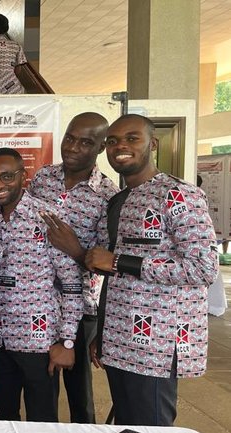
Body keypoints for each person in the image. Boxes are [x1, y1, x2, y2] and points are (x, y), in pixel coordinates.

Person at [85, 114, 218, 426]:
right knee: (128, 425)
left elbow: (203, 267)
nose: (121, 146)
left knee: (152, 425)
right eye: (113, 141)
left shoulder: (179, 194)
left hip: (155, 344)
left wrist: (120, 262)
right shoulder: (117, 201)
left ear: (152, 144)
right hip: (118, 339)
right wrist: (103, 332)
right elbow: (111, 277)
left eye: (132, 138)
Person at [28, 112, 119, 423]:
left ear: (101, 147)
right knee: (42, 388)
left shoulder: (108, 196)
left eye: (85, 142)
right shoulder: (42, 178)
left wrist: (76, 250)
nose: (73, 147)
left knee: (79, 392)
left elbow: (109, 265)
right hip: (36, 300)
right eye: (70, 138)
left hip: (80, 307)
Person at [0, 147, 83, 422]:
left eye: (6, 176)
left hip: (39, 344)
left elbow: (72, 284)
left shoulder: (46, 219)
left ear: (23, 176)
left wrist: (67, 341)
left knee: (42, 420)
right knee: (2, 417)